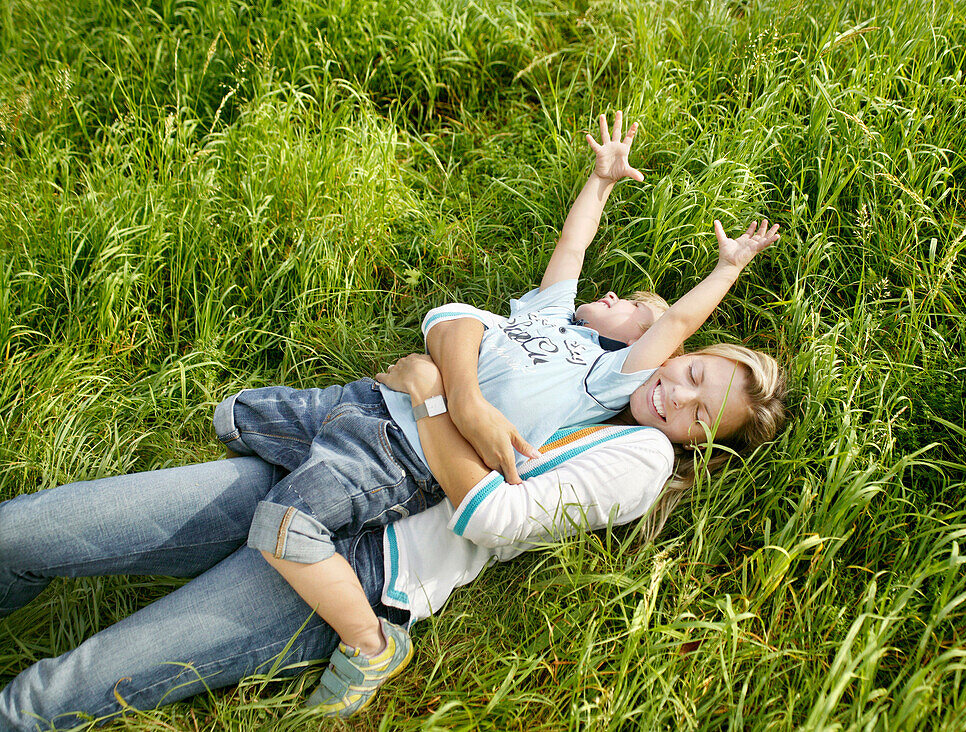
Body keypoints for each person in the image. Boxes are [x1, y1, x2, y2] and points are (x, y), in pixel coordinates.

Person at [235, 110, 781, 716]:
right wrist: (599, 182)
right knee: (238, 416)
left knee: (291, 513)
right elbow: (573, 247)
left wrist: (728, 267)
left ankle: (371, 644)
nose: (613, 297)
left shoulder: (610, 378)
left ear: (652, 348)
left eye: (633, 307)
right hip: (379, 406)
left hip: (413, 453)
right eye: (626, 297)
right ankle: (239, 428)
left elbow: (678, 320)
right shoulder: (549, 317)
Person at [0, 345, 786, 730]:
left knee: (62, 688)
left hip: (366, 561)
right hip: (315, 470)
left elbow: (494, 517)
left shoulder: (641, 459)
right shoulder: (593, 353)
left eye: (698, 412)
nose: (675, 394)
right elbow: (448, 339)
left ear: (699, 443)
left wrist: (444, 403)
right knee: (22, 531)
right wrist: (448, 384)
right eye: (694, 371)